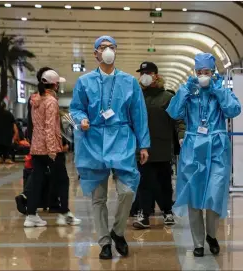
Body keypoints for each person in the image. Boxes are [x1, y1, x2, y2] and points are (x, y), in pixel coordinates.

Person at [70, 35, 150, 260]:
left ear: (116, 51)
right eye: (102, 47)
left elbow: (139, 114)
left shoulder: (129, 81)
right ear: (95, 53)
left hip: (122, 138)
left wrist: (143, 144)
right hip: (93, 140)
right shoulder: (84, 82)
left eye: (111, 47)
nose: (107, 51)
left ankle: (118, 231)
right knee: (98, 198)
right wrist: (82, 119)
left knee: (127, 192)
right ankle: (104, 241)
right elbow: (76, 109)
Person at [166, 53, 241, 257]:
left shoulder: (221, 91)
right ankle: (198, 242)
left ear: (213, 72)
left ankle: (212, 235)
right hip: (193, 148)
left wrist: (218, 91)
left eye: (206, 72)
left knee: (215, 193)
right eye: (199, 72)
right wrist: (185, 91)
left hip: (217, 146)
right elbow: (173, 113)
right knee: (194, 197)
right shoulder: (190, 92)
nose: (202, 75)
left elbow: (234, 110)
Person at [24, 68, 81, 227]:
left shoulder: (34, 99)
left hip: (36, 147)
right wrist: (52, 151)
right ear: (55, 85)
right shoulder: (51, 102)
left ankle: (31, 215)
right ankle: (64, 213)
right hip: (50, 148)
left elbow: (34, 125)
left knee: (37, 180)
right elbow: (49, 127)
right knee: (63, 180)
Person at [133, 62, 178, 229]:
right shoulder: (137, 96)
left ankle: (167, 212)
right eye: (142, 72)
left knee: (164, 182)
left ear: (156, 75)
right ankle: (144, 215)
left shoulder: (167, 97)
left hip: (163, 148)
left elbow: (177, 120)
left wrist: (180, 138)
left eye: (148, 72)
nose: (144, 75)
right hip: (142, 149)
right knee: (144, 182)